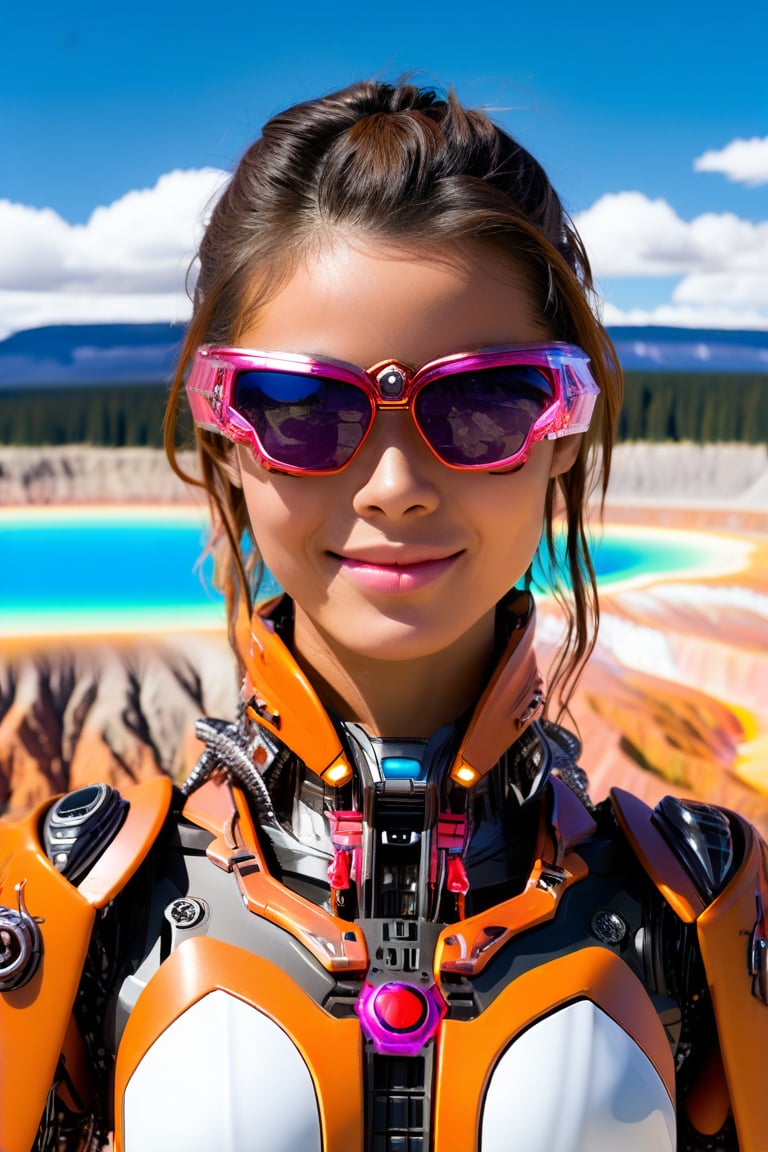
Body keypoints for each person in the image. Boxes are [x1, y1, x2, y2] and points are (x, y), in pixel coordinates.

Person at [0, 79, 765, 1152]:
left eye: (483, 403)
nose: (394, 483)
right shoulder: (64, 914)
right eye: (303, 408)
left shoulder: (716, 920)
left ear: (565, 430)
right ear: (223, 433)